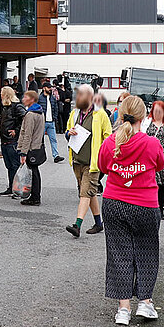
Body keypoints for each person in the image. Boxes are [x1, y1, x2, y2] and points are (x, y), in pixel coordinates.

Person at [97, 95, 164, 326]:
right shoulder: (151, 142)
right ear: (144, 116)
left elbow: (103, 167)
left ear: (119, 113)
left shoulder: (110, 143)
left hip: (114, 203)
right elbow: (160, 164)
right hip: (145, 204)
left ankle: (123, 308)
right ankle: (145, 303)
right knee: (146, 252)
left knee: (119, 254)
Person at [65, 84, 112, 238]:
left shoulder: (100, 115)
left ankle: (77, 225)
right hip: (77, 160)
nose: (77, 98)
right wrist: (68, 133)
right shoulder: (74, 113)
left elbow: (108, 137)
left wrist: (103, 157)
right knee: (90, 192)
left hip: (93, 164)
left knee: (84, 193)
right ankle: (99, 223)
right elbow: (67, 131)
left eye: (81, 95)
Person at [17, 90, 46, 206]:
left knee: (32, 173)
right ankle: (35, 196)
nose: (23, 99)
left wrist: (23, 153)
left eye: (25, 97)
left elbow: (27, 134)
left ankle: (35, 198)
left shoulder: (30, 114)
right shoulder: (40, 112)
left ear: (32, 99)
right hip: (37, 146)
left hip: (31, 148)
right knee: (35, 172)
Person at [0, 86, 26, 196]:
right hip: (5, 140)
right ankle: (11, 187)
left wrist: (16, 130)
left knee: (14, 166)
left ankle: (16, 188)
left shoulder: (16, 106)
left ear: (6, 95)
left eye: (2, 93)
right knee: (9, 166)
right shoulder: (6, 107)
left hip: (12, 141)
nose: (0, 95)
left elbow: (25, 118)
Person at [38, 82, 62, 163]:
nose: (50, 89)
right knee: (40, 140)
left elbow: (56, 109)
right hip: (42, 122)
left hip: (51, 122)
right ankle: (41, 156)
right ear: (44, 88)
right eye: (48, 88)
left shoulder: (53, 98)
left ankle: (56, 156)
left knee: (53, 139)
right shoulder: (39, 98)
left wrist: (54, 118)